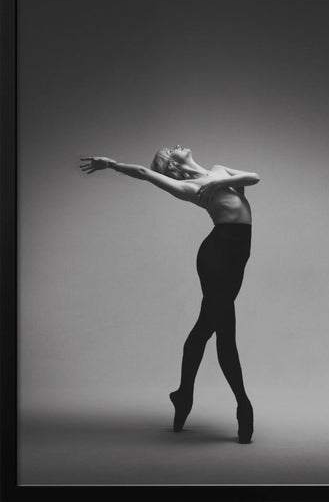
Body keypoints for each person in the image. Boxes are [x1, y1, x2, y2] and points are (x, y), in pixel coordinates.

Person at [80, 145, 260, 443]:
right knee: (224, 330)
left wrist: (217, 182)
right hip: (217, 254)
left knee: (207, 328)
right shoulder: (186, 187)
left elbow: (254, 177)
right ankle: (243, 404)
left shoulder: (218, 171)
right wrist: (111, 164)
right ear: (172, 166)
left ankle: (183, 395)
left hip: (238, 255)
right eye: (170, 150)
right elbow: (143, 172)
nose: (177, 145)